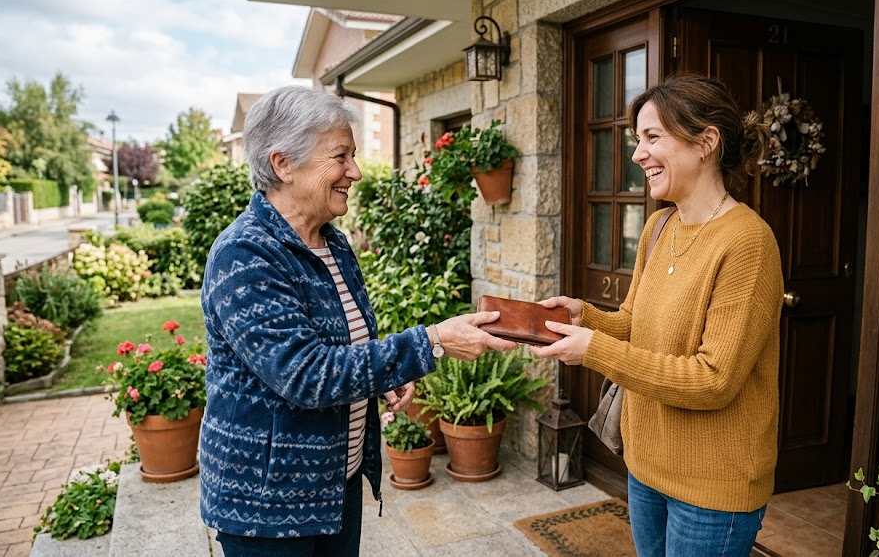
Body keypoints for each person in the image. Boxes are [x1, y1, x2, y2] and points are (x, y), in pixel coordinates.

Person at [198, 85, 517, 557]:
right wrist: (430, 343)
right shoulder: (245, 254)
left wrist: (383, 378)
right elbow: (306, 375)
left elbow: (342, 347)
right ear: (283, 163)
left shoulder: (332, 243)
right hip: (268, 507)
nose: (356, 172)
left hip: (335, 485)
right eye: (340, 156)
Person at [530, 73, 784, 557]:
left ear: (706, 141)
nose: (637, 154)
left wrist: (596, 351)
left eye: (652, 138)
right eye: (636, 139)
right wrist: (584, 316)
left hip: (713, 487)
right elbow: (633, 323)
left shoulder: (748, 242)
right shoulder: (658, 225)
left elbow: (714, 380)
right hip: (646, 464)